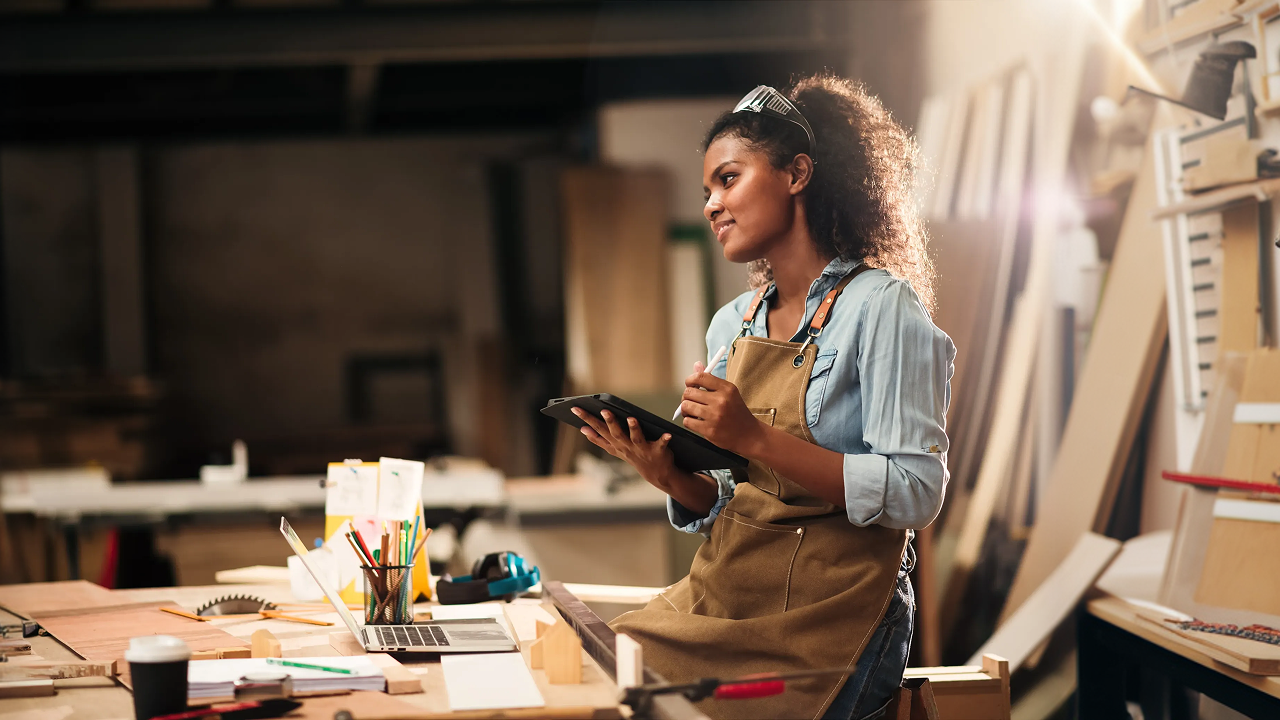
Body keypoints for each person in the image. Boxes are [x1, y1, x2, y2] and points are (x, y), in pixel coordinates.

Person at [573, 73, 955, 720]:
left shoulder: (881, 308)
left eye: (728, 179)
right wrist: (669, 475)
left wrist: (753, 437)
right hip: (730, 599)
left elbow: (916, 492)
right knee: (595, 668)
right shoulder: (734, 325)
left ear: (797, 174)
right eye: (706, 191)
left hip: (837, 617)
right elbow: (737, 499)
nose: (711, 205)